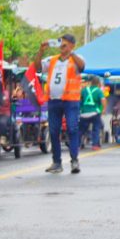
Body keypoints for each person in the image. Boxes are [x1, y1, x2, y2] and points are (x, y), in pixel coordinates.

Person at [36, 33, 85, 173]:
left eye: (65, 43)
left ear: (72, 45)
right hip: (54, 100)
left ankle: (74, 160)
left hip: (71, 100)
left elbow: (82, 67)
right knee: (53, 131)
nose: (62, 46)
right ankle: (56, 162)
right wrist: (41, 50)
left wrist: (71, 53)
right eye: (61, 43)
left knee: (72, 129)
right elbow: (37, 67)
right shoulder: (52, 59)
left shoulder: (77, 58)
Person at [79, 75, 104, 149]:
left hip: (84, 113)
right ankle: (95, 145)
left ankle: (77, 145)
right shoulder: (98, 91)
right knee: (96, 128)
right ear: (98, 83)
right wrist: (103, 110)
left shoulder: (84, 90)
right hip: (95, 113)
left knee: (81, 130)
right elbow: (103, 100)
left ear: (91, 82)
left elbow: (79, 100)